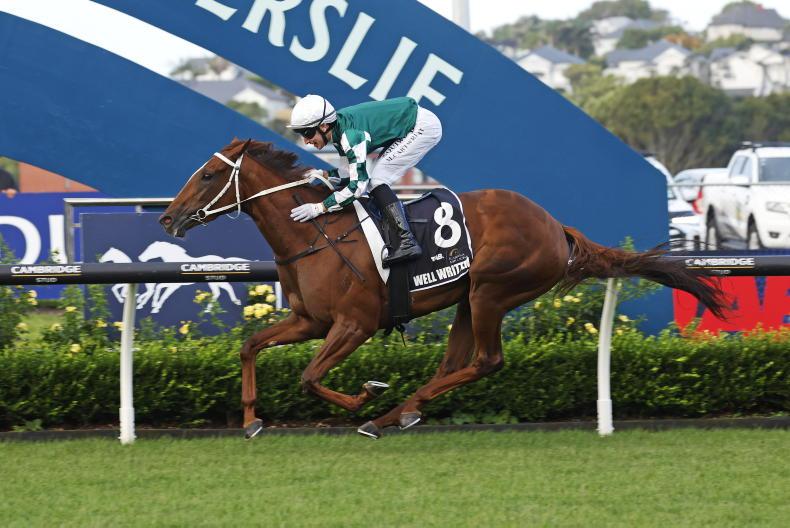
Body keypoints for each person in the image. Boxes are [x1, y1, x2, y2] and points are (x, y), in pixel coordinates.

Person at [287, 94, 442, 267]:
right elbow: (348, 173)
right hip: (411, 124)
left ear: (324, 126)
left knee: (377, 180)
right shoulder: (338, 131)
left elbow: (357, 187)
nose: (306, 141)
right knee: (374, 179)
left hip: (421, 127)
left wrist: (319, 208)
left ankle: (407, 242)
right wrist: (324, 174)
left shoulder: (350, 136)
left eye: (307, 133)